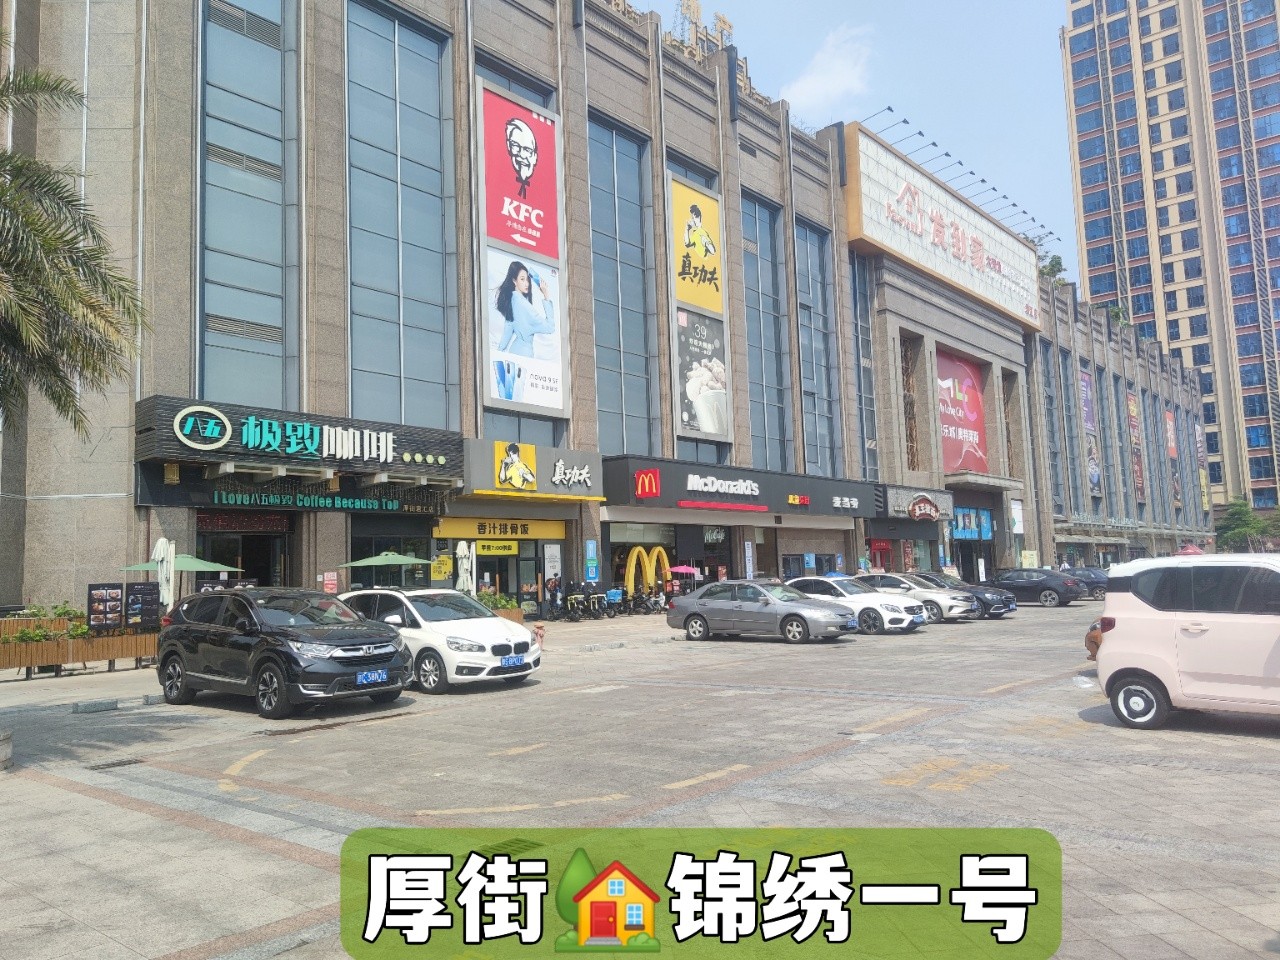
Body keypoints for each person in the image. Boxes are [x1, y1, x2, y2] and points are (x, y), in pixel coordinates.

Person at [495, 261, 555, 358]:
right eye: (522, 279)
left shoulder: (511, 301)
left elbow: (507, 332)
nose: (527, 283)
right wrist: (546, 295)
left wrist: (498, 353)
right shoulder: (525, 306)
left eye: (527, 279)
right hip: (525, 355)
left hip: (513, 352)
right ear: (514, 281)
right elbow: (550, 327)